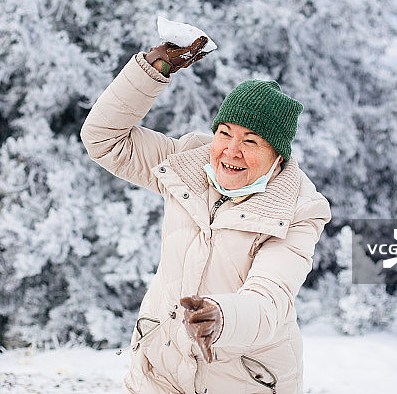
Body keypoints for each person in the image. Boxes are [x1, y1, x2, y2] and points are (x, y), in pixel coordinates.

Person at [80, 36, 331, 393]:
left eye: (251, 141)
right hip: (160, 372)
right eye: (225, 133)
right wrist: (152, 70)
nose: (231, 150)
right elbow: (104, 140)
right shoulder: (187, 164)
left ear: (277, 156)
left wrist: (221, 318)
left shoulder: (298, 211)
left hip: (242, 381)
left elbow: (268, 302)